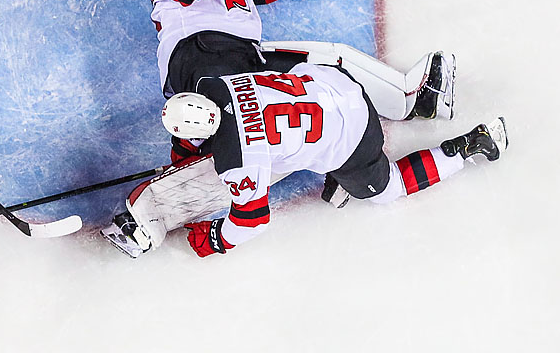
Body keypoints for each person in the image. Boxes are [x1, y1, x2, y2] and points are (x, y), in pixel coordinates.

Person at [101, 0, 456, 256]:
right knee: (216, 123)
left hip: (248, 58)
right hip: (200, 58)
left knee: (330, 61)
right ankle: (159, 206)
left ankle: (411, 102)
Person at [157, 67, 507, 257]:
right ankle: (336, 166)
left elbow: (253, 221)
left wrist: (218, 238)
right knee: (284, 145)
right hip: (336, 84)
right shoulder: (219, 85)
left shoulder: (239, 161)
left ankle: (470, 145)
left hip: (354, 137)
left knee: (386, 190)